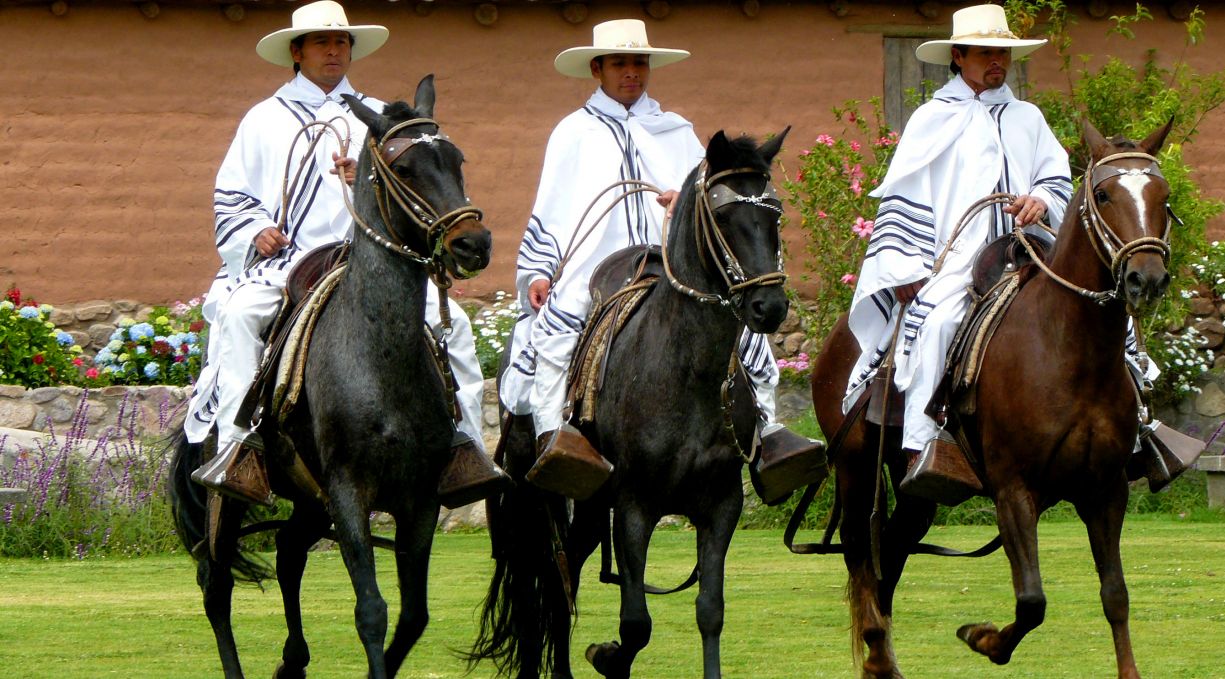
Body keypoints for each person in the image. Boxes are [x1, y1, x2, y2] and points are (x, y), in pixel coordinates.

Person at [185, 0, 492, 502]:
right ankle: (240, 450)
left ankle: (465, 448)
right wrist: (255, 228)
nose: (334, 51)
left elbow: (409, 190)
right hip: (288, 264)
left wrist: (365, 181)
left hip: (363, 264)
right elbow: (230, 196)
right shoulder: (264, 119)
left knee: (453, 323)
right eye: (323, 43)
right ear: (298, 52)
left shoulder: (378, 119)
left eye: (342, 42)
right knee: (240, 316)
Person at [500, 18, 819, 499]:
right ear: (598, 68)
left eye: (639, 63)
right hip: (598, 260)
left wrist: (683, 200)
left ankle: (767, 433)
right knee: (557, 330)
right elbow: (554, 205)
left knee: (741, 333)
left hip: (669, 258)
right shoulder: (574, 132)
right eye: (621, 63)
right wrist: (540, 270)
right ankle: (555, 436)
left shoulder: (675, 130)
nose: (632, 72)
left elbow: (709, 202)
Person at [840, 4, 1073, 497]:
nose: (997, 61)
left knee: (1097, 305)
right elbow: (903, 197)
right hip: (959, 260)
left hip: (1032, 252)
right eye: (987, 52)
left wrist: (1042, 198)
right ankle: (924, 445)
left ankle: (1133, 427)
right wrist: (904, 267)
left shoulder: (1028, 117)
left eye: (1003, 52)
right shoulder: (932, 118)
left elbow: (1057, 177)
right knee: (941, 321)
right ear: (958, 56)